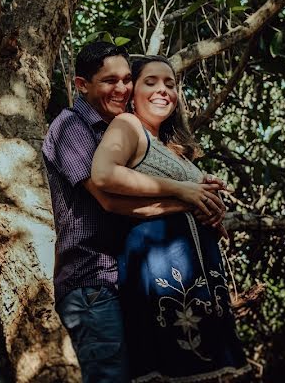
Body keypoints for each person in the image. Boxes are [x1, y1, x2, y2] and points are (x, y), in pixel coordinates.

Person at [43, 43, 226, 383]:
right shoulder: (71, 127)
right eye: (110, 80)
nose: (122, 89)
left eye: (127, 79)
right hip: (92, 280)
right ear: (82, 84)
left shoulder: (122, 132)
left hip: (126, 281)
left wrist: (201, 200)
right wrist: (187, 199)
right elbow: (109, 201)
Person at [91, 55, 250, 382]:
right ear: (133, 91)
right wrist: (183, 190)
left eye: (170, 84)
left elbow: (184, 202)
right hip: (160, 275)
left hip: (204, 283)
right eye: (151, 82)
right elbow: (103, 174)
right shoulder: (128, 125)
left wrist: (209, 205)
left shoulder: (173, 147)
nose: (164, 90)